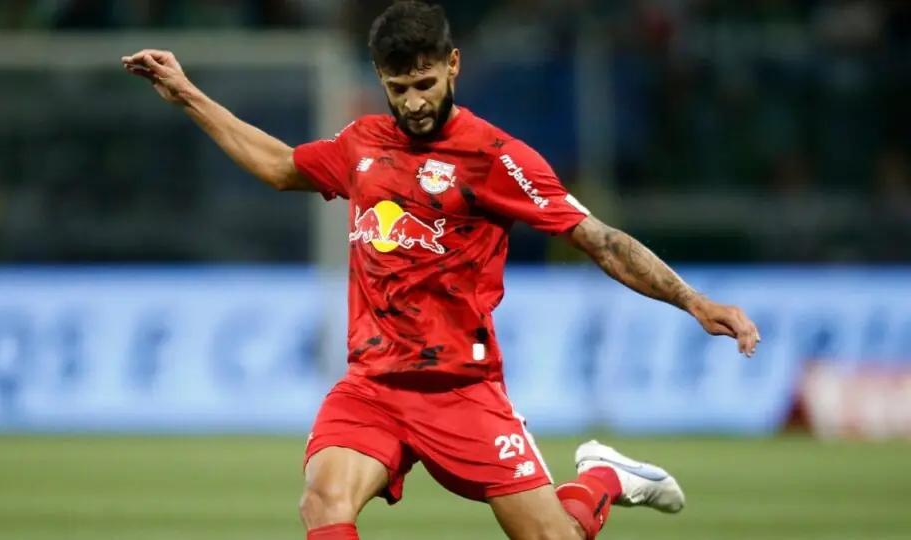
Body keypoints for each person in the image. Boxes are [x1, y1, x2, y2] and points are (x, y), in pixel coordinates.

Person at [121, 2, 760, 539]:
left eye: (424, 84)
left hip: (461, 388)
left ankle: (604, 477)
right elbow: (281, 166)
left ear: (453, 65)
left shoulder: (495, 157)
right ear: (380, 77)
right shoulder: (363, 143)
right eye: (398, 88)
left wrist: (693, 300)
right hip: (373, 385)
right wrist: (188, 96)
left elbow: (600, 240)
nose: (414, 102)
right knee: (324, 503)